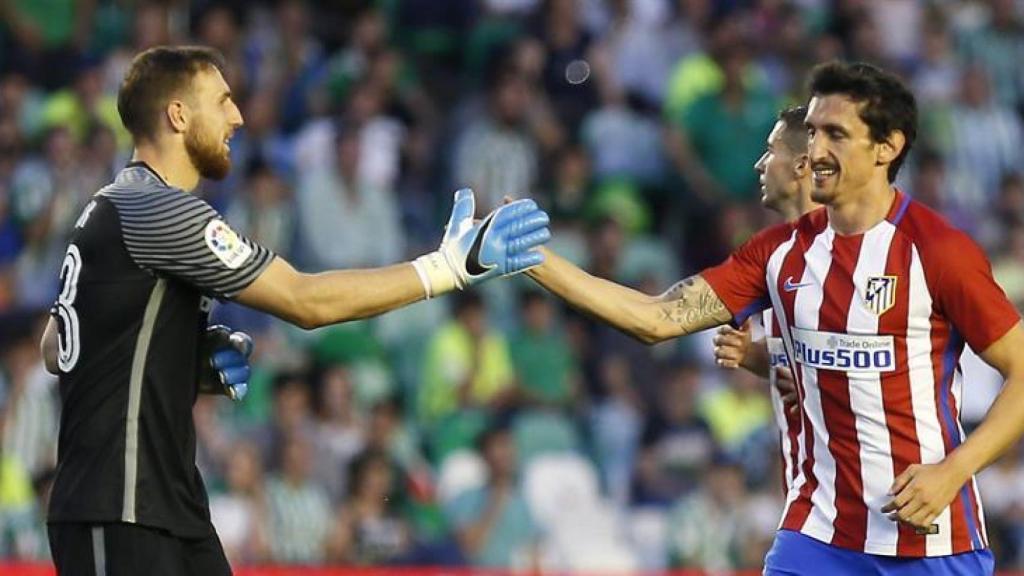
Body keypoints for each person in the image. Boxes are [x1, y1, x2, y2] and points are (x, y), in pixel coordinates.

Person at [37, 46, 550, 576]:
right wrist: (449, 267)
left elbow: (56, 344)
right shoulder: (162, 209)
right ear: (178, 115)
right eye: (222, 101)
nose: (237, 116)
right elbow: (306, 301)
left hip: (167, 506)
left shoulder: (113, 205)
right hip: (116, 504)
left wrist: (182, 359)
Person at [527, 61, 1024, 574]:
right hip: (816, 536)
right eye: (812, 133)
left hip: (931, 541)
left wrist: (952, 471)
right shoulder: (776, 255)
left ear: (887, 146)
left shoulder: (938, 251)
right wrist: (532, 259)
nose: (816, 150)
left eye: (836, 134)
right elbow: (655, 319)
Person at [712, 104, 820, 494]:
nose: (759, 164)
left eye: (771, 150)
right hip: (808, 500)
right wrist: (752, 355)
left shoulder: (869, 254)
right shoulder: (770, 256)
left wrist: (821, 383)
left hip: (883, 502)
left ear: (802, 165)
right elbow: (654, 319)